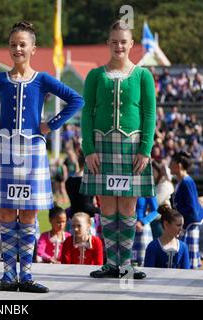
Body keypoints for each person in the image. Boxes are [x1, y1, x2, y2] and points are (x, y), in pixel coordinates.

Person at [0, 21, 84, 293]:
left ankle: (26, 276)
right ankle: (7, 275)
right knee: (5, 212)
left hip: (32, 151)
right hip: (4, 149)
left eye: (22, 44)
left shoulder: (42, 80)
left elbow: (76, 99)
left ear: (33, 49)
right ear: (9, 47)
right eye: (13, 44)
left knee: (28, 215)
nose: (17, 48)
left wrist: (51, 124)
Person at [80, 20, 156, 279]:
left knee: (128, 207)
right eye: (114, 41)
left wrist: (145, 150)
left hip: (132, 147)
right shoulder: (95, 75)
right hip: (101, 147)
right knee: (107, 207)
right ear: (107, 44)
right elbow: (87, 113)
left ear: (131, 44)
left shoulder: (143, 75)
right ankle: (111, 263)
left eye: (123, 41)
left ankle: (126, 263)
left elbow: (149, 113)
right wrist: (88, 149)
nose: (118, 46)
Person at [169, 151, 203, 269]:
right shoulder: (183, 182)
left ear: (178, 166)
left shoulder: (186, 182)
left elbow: (192, 208)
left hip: (189, 225)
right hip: (187, 224)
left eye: (171, 163)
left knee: (189, 265)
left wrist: (182, 224)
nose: (169, 166)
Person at [131, 197, 159, 266]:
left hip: (141, 229)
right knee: (127, 261)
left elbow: (156, 210)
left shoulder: (147, 186)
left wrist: (143, 222)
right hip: (125, 227)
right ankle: (127, 276)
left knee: (142, 261)